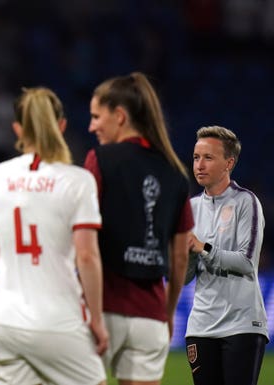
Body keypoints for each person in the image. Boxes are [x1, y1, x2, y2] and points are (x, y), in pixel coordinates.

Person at [0, 87, 108, 385]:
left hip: (4, 321)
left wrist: (14, 290)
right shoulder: (78, 181)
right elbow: (86, 256)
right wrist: (97, 321)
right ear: (61, 125)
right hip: (58, 320)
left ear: (17, 128)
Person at [83, 72, 194, 385]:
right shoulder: (175, 171)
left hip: (101, 310)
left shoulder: (100, 159)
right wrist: (169, 313)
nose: (91, 126)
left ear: (119, 116)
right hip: (151, 316)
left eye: (96, 116)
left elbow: (83, 239)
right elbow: (180, 258)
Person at [184, 126, 268, 385]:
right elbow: (186, 277)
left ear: (229, 163)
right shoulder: (191, 208)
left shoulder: (246, 202)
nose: (200, 164)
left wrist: (203, 248)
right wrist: (183, 257)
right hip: (201, 325)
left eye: (208, 157)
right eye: (197, 157)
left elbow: (246, 262)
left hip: (241, 324)